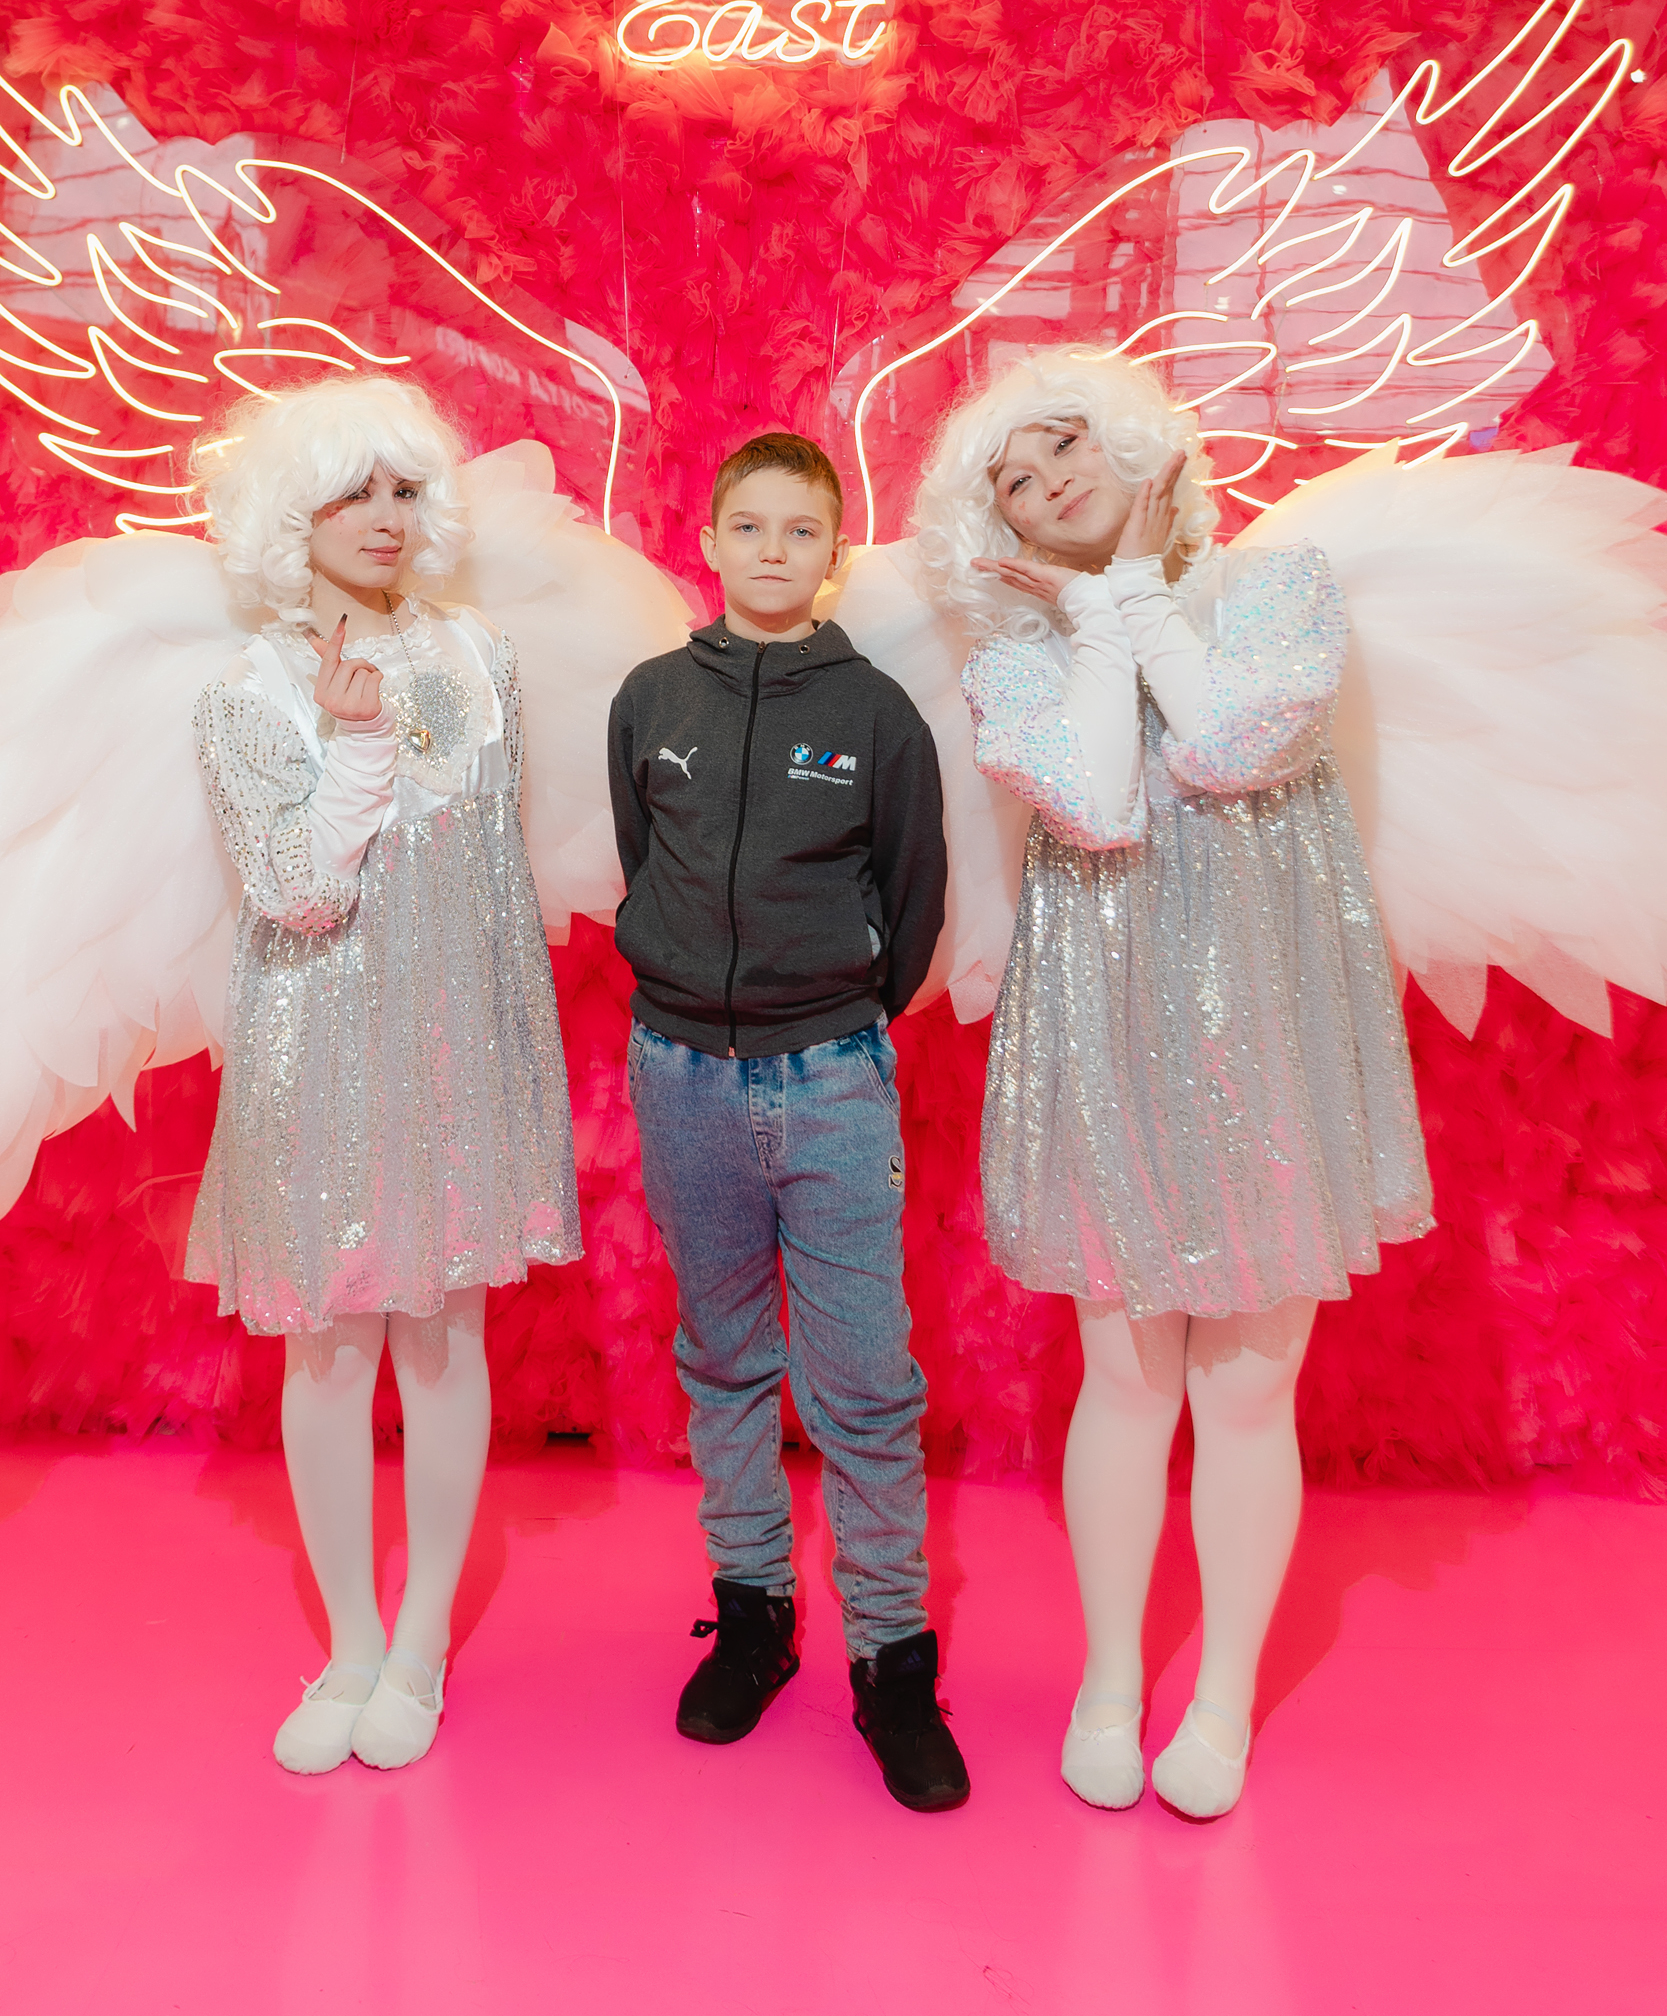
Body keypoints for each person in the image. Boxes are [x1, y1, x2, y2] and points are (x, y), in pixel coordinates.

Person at [913, 351, 1433, 1818]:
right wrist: (1097, 618)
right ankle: (1108, 1681)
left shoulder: (1279, 588)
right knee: (1127, 1381)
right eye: (1018, 480)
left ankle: (1221, 1701)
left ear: (1134, 441)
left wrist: (1139, 597)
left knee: (1250, 1390)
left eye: (1067, 444)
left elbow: (1226, 745)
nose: (1051, 481)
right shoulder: (1018, 662)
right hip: (1110, 1036)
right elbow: (1096, 799)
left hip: (1267, 1026)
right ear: (1001, 527)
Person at [186, 376, 581, 1775]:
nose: (385, 518)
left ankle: (419, 1646)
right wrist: (354, 746)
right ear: (290, 516)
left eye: (405, 491)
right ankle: (350, 1644)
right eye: (352, 493)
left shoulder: (480, 655)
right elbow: (295, 892)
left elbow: (491, 871)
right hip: (317, 1050)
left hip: (455, 1043)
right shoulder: (245, 692)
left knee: (446, 1338)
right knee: (330, 1346)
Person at [607, 431, 968, 1811]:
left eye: (800, 530)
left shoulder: (878, 716)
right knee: (724, 1356)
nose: (772, 549)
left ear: (833, 553)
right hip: (681, 1075)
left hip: (830, 1079)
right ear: (708, 542)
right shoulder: (651, 698)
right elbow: (643, 861)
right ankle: (753, 1608)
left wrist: (835, 1010)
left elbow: (914, 900)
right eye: (748, 526)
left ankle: (892, 1653)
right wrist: (690, 989)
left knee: (865, 1379)